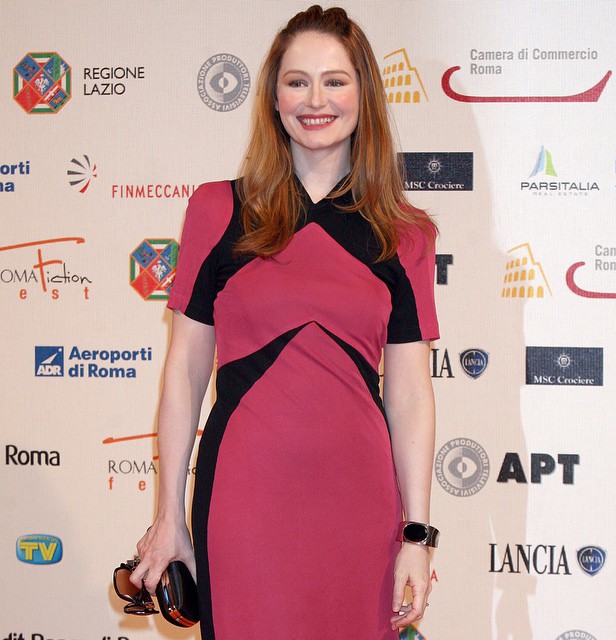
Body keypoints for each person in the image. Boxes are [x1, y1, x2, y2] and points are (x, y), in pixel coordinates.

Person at [130, 5, 439, 639]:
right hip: (243, 500)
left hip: (361, 508)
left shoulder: (406, 233)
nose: (315, 100)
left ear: (364, 95)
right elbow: (185, 373)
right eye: (297, 81)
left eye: (335, 81)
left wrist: (417, 536)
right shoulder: (218, 209)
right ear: (274, 98)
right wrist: (168, 517)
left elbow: (410, 394)